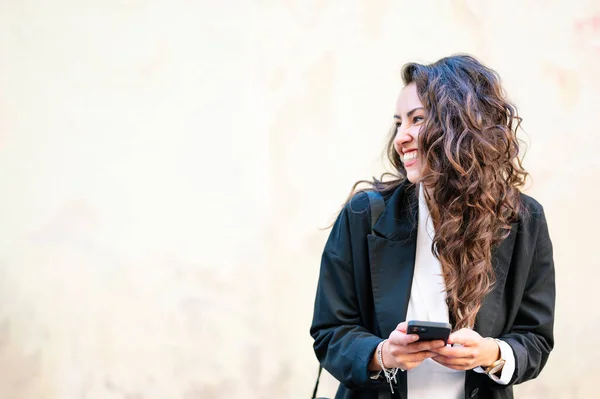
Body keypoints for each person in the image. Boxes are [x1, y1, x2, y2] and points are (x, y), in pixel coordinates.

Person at [310, 54, 555, 399]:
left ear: (463, 126)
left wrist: (492, 354)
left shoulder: (522, 221)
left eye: (417, 119)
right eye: (398, 123)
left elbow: (536, 337)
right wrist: (384, 354)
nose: (400, 137)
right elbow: (330, 331)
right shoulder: (364, 215)